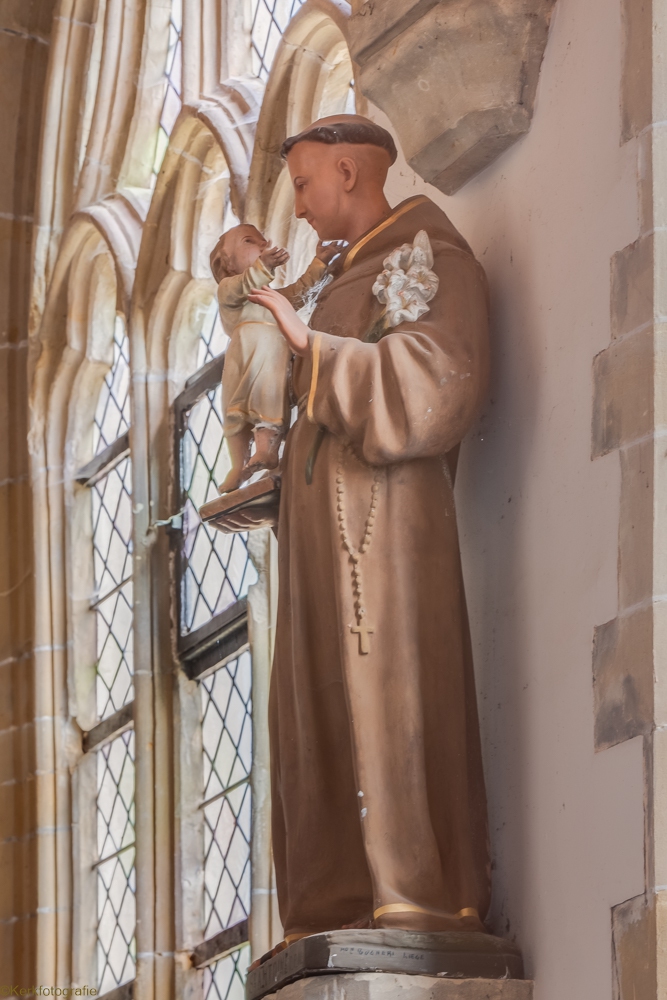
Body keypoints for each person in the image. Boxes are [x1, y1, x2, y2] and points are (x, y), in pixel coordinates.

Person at [242, 114, 492, 945]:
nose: (298, 207)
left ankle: (412, 895)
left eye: (304, 184)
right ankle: (330, 902)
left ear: (348, 172)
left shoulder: (430, 255)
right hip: (316, 528)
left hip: (385, 531)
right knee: (313, 700)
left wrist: (312, 349)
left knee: (385, 687)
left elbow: (438, 383)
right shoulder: (333, 275)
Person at [210, 224, 330, 493]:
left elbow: (299, 292)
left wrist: (320, 262)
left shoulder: (272, 296)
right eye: (250, 241)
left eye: (264, 241)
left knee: (268, 396)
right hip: (240, 357)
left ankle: (267, 450)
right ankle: (238, 465)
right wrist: (262, 267)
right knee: (233, 410)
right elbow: (243, 285)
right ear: (228, 263)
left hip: (271, 351)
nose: (263, 245)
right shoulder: (228, 289)